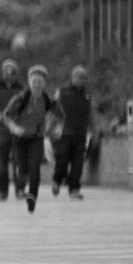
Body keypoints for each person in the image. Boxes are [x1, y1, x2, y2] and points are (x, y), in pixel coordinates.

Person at [1, 64, 64, 213]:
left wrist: (58, 129)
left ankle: (32, 197)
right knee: (23, 170)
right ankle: (21, 175)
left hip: (37, 137)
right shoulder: (21, 98)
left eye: (40, 82)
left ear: (44, 84)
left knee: (35, 168)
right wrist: (14, 128)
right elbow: (6, 116)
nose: (37, 85)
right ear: (29, 82)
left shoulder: (47, 100)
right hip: (20, 137)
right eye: (34, 82)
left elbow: (61, 115)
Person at [52, 65, 95, 199]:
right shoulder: (62, 92)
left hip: (80, 133)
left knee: (78, 164)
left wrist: (94, 130)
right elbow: (53, 111)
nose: (82, 80)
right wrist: (50, 129)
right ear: (73, 77)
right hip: (64, 133)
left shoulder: (88, 95)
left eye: (84, 78)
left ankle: (74, 189)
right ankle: (57, 181)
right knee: (62, 162)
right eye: (79, 77)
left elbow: (91, 114)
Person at [0, 59, 27, 201]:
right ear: (3, 72)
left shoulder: (21, 87)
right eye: (9, 72)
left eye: (14, 73)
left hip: (17, 129)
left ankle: (20, 189)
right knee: (1, 163)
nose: (12, 75)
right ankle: (2, 190)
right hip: (1, 129)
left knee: (19, 161)